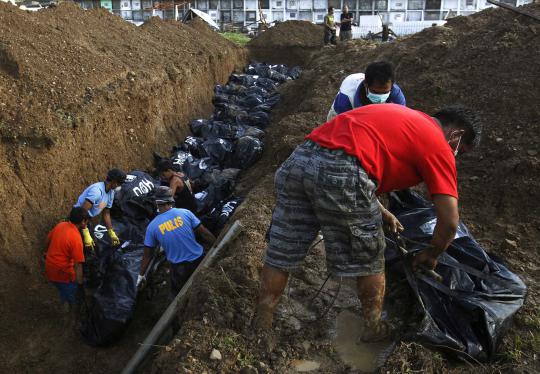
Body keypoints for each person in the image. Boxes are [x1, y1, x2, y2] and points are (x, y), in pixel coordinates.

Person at [253, 104, 481, 342]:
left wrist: (381, 211)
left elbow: (345, 155)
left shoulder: (401, 117)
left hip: (299, 161)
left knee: (282, 250)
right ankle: (373, 328)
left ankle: (262, 321)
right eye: (460, 152)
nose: (456, 156)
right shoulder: (438, 143)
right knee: (371, 260)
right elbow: (450, 222)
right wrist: (432, 254)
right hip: (342, 172)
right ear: (457, 135)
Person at [137, 186, 216, 297]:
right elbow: (204, 234)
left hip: (180, 269)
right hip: (199, 259)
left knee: (179, 297)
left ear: (157, 202)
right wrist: (217, 246)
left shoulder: (152, 227)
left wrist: (141, 275)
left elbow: (147, 255)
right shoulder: (185, 213)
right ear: (171, 199)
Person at [45, 207, 90, 326]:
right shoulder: (76, 239)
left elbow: (47, 240)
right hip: (62, 274)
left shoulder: (61, 225)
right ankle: (73, 321)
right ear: (83, 222)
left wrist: (46, 253)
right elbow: (78, 265)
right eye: (86, 220)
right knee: (75, 297)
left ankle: (64, 302)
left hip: (49, 268)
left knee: (63, 289)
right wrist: (79, 284)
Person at [327, 61, 406, 121]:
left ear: (392, 85)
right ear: (366, 84)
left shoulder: (397, 96)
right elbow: (342, 126)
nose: (380, 97)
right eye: (376, 92)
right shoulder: (346, 98)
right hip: (341, 116)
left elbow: (400, 119)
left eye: (385, 92)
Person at [74, 168, 126, 249]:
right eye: (119, 183)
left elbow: (106, 213)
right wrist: (85, 231)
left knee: (92, 247)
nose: (119, 186)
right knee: (83, 246)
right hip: (77, 219)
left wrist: (111, 232)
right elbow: (82, 212)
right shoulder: (97, 191)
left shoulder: (110, 193)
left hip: (86, 219)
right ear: (114, 182)